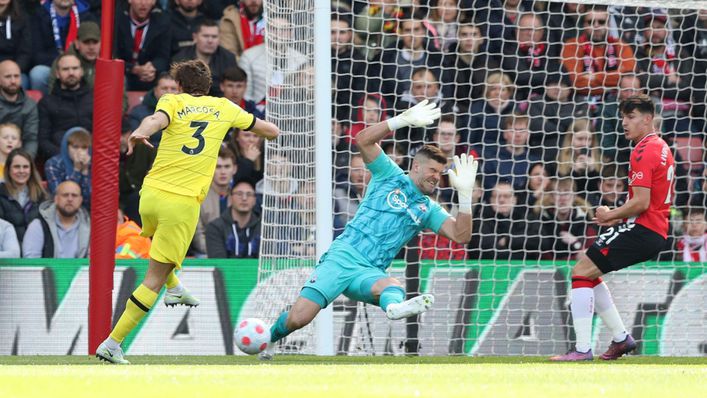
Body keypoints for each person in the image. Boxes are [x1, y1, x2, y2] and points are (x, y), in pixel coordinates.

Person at [257, 100, 477, 360]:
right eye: (432, 170)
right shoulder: (389, 175)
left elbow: (460, 235)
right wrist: (400, 120)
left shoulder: (428, 208)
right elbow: (362, 140)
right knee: (298, 318)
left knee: (392, 286)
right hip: (343, 257)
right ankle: (269, 339)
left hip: (370, 272)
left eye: (440, 173)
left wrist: (465, 195)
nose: (435, 177)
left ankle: (394, 308)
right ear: (416, 166)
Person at [96, 59, 278, 364]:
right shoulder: (225, 107)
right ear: (209, 87)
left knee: (160, 250)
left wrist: (141, 132)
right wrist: (268, 133)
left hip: (150, 195)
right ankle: (113, 343)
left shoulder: (171, 100)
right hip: (180, 204)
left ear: (179, 86)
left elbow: (155, 120)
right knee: (154, 277)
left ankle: (176, 288)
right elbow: (269, 130)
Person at [551, 94, 675, 361]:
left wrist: (610, 214)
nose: (624, 123)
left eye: (630, 117)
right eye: (622, 117)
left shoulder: (643, 151)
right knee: (589, 273)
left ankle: (583, 349)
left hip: (643, 229)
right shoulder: (662, 146)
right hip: (654, 230)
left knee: (581, 271)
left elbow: (641, 202)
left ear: (647, 119)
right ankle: (621, 339)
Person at [22, 180, 90, 258]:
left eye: (74, 195)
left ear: (80, 200)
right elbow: (31, 263)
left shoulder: (91, 228)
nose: (70, 199)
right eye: (65, 195)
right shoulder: (38, 225)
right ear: (56, 199)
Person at [0, 149, 47, 243]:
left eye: (25, 167)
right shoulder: (1, 193)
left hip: (35, 251)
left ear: (31, 170)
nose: (21, 171)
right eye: (17, 167)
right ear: (8, 169)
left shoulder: (41, 195)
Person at [205, 180, 260, 258]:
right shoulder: (215, 227)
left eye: (249, 194)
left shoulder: (263, 229)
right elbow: (218, 261)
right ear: (230, 198)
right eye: (239, 194)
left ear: (255, 200)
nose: (244, 198)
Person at [0, 60, 38, 158]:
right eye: (8, 76)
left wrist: (24, 161)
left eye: (16, 76)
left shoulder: (30, 105)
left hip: (19, 158)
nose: (13, 81)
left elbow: (31, 139)